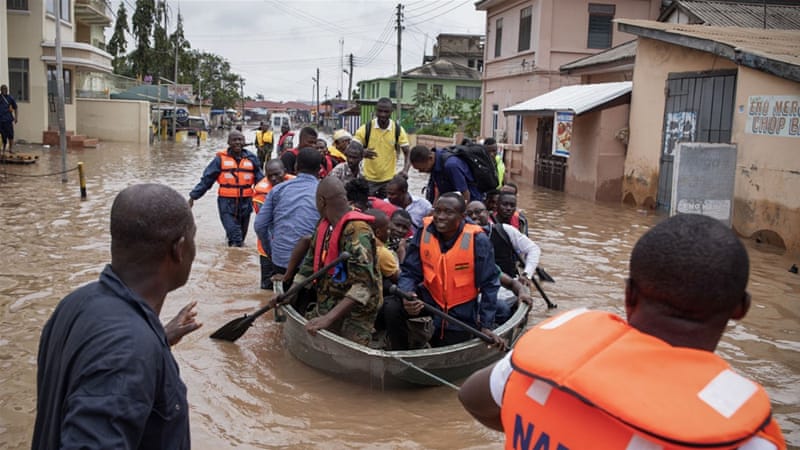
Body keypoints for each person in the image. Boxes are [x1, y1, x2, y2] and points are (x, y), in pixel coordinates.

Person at [458, 214, 787, 450]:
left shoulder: (555, 349)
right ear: (740, 309)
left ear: (629, 294)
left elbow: (471, 395)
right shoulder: (743, 435)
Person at [32, 184, 201, 450]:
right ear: (179, 248)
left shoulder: (76, 304)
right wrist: (143, 345)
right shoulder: (129, 349)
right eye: (193, 237)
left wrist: (159, 339)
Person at [396, 192, 504, 348]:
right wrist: (407, 294)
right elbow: (410, 271)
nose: (440, 217)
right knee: (392, 306)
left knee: (448, 343)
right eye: (437, 211)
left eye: (448, 212)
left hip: (461, 311)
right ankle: (400, 350)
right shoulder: (424, 231)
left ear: (462, 216)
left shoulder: (478, 240)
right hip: (430, 301)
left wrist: (486, 325)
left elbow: (489, 283)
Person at [291, 177, 382, 346]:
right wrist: (290, 292)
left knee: (351, 355)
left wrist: (328, 319)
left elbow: (363, 287)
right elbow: (309, 265)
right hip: (329, 299)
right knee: (309, 338)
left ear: (321, 201)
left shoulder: (357, 232)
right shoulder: (324, 224)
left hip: (357, 311)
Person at [189, 130, 264, 247]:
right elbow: (207, 180)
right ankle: (235, 258)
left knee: (240, 238)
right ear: (229, 142)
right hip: (227, 203)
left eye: (240, 140)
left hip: (246, 203)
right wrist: (193, 196)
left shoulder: (252, 159)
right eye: (234, 140)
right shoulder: (219, 160)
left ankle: (232, 258)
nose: (238, 142)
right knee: (237, 239)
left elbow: (261, 182)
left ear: (244, 142)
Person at [254, 147, 321, 279]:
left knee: (280, 297)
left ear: (295, 167)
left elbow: (260, 226)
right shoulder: (325, 191)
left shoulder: (277, 190)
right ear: (320, 170)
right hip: (311, 263)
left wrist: (271, 252)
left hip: (281, 259)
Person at [466, 200, 539, 280]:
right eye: (469, 214)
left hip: (508, 285)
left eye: (478, 212)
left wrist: (527, 274)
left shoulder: (505, 230)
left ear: (487, 213)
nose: (473, 216)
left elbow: (533, 249)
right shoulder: (464, 237)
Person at [352, 97, 411, 197]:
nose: (383, 114)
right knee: (366, 207)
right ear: (376, 111)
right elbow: (351, 149)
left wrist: (405, 170)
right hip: (368, 179)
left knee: (389, 207)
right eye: (380, 111)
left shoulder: (397, 130)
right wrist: (362, 152)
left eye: (386, 111)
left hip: (389, 180)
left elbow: (408, 152)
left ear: (391, 112)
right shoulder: (366, 128)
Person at [252, 159, 295, 289]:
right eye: (270, 176)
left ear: (285, 173)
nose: (274, 178)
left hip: (291, 246)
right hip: (268, 247)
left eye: (277, 174)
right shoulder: (260, 197)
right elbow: (263, 226)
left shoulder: (296, 187)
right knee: (267, 286)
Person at [410, 145, 483, 203]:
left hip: (471, 203)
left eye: (422, 169)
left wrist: (462, 215)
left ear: (430, 158)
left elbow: (465, 194)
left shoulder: (451, 165)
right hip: (452, 201)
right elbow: (438, 189)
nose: (420, 172)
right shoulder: (435, 164)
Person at [0, 84, 18, 154]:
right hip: (0, 120)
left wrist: (16, 117)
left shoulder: (10, 98)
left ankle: (10, 149)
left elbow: (16, 108)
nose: (4, 90)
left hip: (8, 120)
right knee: (3, 136)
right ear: (1, 90)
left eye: (5, 89)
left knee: (10, 135)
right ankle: (3, 149)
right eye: (3, 89)